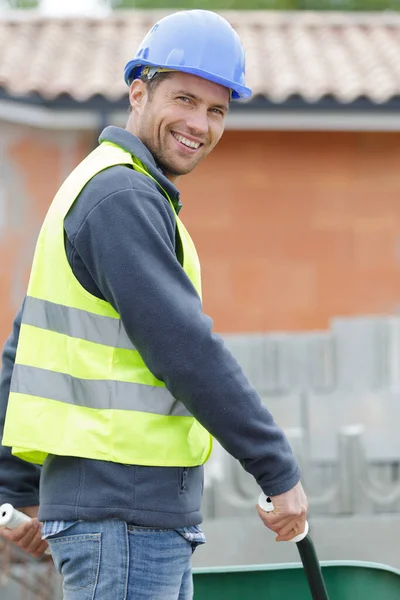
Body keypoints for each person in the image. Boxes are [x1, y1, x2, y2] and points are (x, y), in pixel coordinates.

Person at [0, 9, 307, 599]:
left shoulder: (100, 186)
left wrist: (13, 485)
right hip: (123, 518)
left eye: (216, 110)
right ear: (138, 91)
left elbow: (28, 337)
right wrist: (276, 468)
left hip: (125, 517)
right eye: (185, 100)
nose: (200, 123)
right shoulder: (120, 196)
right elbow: (184, 345)